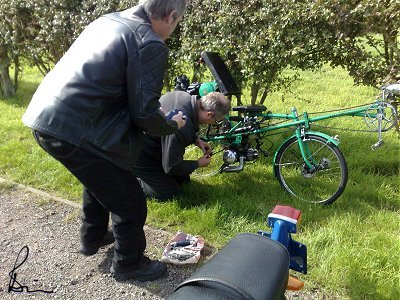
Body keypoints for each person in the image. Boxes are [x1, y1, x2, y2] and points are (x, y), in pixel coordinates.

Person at [22, 0, 187, 281]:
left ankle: (93, 237)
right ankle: (129, 264)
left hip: (47, 116)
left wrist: (150, 108)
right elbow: (145, 114)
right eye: (177, 23)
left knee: (101, 176)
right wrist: (172, 124)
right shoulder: (150, 41)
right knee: (130, 203)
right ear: (172, 16)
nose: (173, 29)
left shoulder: (109, 20)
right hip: (74, 128)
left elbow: (115, 84)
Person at [132, 90, 231, 200]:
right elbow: (171, 167)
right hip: (137, 153)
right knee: (171, 193)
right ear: (209, 114)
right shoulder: (183, 126)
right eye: (217, 121)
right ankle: (128, 181)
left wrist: (196, 140)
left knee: (183, 179)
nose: (215, 124)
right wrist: (198, 163)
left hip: (146, 141)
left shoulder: (184, 96)